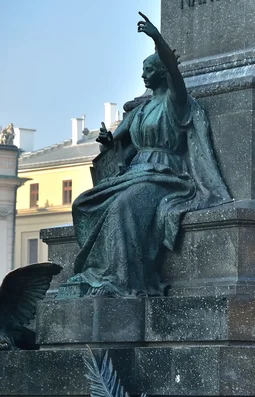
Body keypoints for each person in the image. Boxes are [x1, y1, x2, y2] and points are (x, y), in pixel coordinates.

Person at [59, 12, 231, 298]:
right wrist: (107, 140)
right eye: (143, 70)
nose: (142, 75)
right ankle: (97, 271)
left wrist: (157, 38)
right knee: (84, 204)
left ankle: (120, 278)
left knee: (121, 207)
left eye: (148, 70)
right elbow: (116, 142)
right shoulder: (139, 111)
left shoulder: (177, 102)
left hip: (166, 175)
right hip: (135, 173)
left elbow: (176, 72)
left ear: (161, 72)